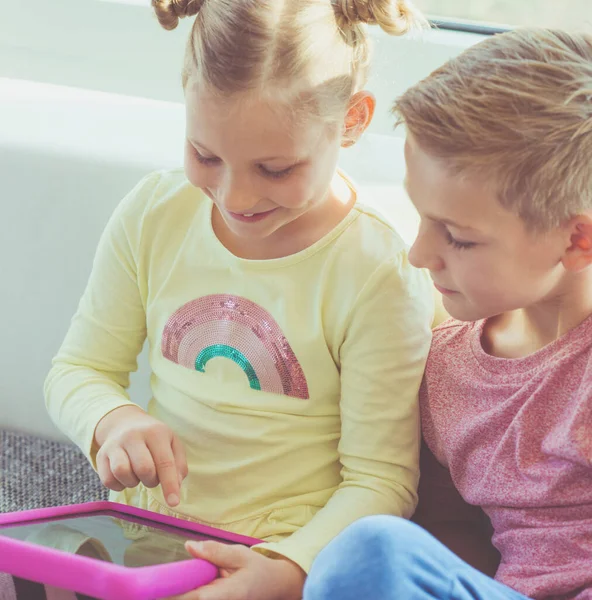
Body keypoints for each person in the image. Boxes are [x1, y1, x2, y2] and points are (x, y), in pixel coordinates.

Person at [44, 1, 435, 598]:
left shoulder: (377, 271)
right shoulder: (154, 214)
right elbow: (78, 369)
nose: (234, 194)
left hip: (281, 554)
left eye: (275, 168)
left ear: (353, 120)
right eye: (205, 156)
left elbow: (380, 481)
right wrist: (112, 420)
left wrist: (286, 569)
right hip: (143, 540)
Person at [303, 28, 592, 600]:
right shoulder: (446, 365)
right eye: (422, 218)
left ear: (578, 239)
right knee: (370, 553)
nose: (418, 254)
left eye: (458, 238)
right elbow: (447, 536)